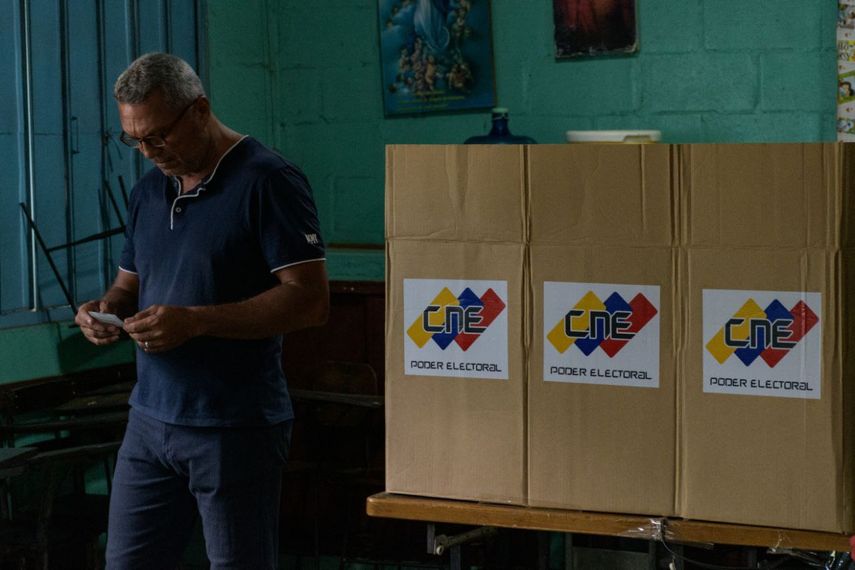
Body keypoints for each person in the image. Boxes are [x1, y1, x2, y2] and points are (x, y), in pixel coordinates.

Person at [75, 52, 329, 569]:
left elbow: (309, 300)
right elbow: (129, 285)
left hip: (233, 425)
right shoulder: (149, 190)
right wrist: (104, 310)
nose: (149, 151)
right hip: (149, 420)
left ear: (200, 109)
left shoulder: (268, 179)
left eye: (159, 135)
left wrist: (195, 321)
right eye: (136, 140)